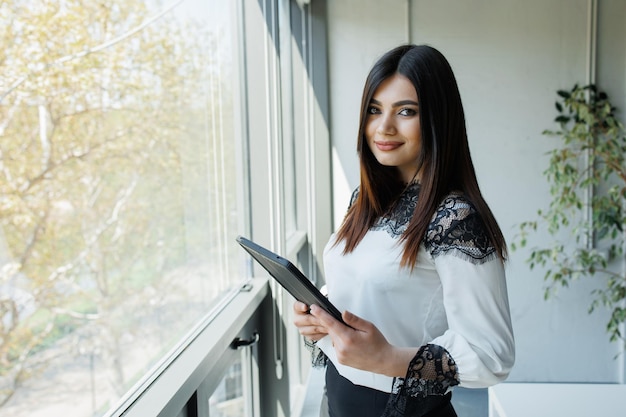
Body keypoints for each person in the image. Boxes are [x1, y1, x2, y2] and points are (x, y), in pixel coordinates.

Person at [292, 44, 515, 417]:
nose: (384, 127)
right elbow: (381, 287)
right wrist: (320, 315)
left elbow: (491, 354)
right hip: (341, 396)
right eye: (374, 111)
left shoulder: (454, 219)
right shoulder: (365, 199)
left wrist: (387, 357)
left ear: (437, 120)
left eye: (406, 112)